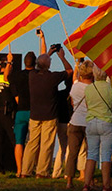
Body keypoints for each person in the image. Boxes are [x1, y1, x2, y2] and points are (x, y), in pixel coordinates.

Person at [22, 46, 73, 178]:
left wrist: (48, 53)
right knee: (46, 144)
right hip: (49, 115)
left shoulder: (32, 76)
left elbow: (39, 66)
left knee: (31, 143)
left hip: (35, 115)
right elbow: (69, 71)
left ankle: (25, 171)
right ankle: (42, 172)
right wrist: (61, 57)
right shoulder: (53, 77)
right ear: (49, 64)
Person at [83, 65, 112, 191]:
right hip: (107, 121)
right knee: (106, 155)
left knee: (91, 154)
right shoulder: (111, 89)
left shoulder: (89, 89)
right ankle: (106, 186)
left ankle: (86, 184)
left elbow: (87, 105)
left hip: (91, 121)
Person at [65, 60, 92, 190]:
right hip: (89, 122)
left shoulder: (75, 86)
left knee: (72, 153)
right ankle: (88, 181)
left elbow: (72, 102)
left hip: (75, 121)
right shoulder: (93, 89)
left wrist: (76, 66)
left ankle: (69, 181)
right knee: (90, 154)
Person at [10, 50, 37, 178]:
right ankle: (30, 169)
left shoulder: (17, 76)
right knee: (33, 142)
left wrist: (10, 61)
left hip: (20, 112)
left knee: (19, 142)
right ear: (35, 63)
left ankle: (19, 170)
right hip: (34, 112)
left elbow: (6, 77)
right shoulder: (37, 75)